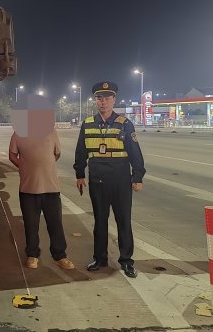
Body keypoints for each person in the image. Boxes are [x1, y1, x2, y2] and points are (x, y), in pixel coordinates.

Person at [73, 81, 146, 278]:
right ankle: (100, 258)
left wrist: (137, 176)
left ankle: (126, 261)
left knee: (124, 222)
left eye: (106, 98)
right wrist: (80, 174)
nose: (103, 101)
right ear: (95, 100)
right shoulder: (88, 124)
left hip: (121, 181)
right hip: (97, 182)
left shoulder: (125, 124)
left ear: (114, 100)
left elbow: (135, 153)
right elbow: (81, 152)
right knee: (100, 222)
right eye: (99, 98)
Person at [9, 118, 75, 271]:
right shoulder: (18, 133)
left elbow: (57, 154)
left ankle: (60, 256)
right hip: (28, 189)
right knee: (31, 225)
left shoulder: (51, 132)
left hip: (51, 188)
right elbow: (12, 155)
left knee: (55, 224)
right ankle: (32, 255)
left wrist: (44, 165)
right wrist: (24, 166)